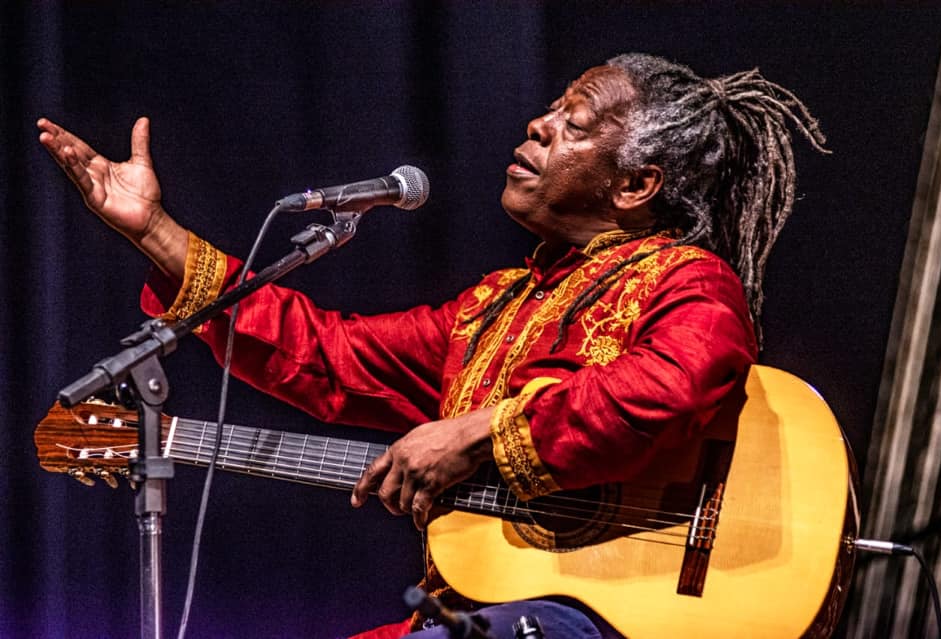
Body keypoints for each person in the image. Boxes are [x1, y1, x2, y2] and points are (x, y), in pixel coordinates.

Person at [38, 53, 828, 638]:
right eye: (551, 110)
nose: (539, 125)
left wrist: (480, 432)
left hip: (604, 618)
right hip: (479, 616)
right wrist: (157, 232)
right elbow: (329, 357)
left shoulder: (687, 278)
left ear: (635, 185)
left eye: (575, 124)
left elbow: (672, 386)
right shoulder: (495, 308)